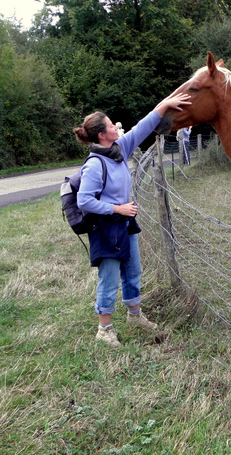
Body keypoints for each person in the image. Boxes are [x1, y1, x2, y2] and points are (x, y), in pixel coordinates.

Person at [73, 92, 191, 347]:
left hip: (125, 224)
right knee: (110, 278)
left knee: (133, 271)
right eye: (111, 124)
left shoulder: (119, 149)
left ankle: (134, 315)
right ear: (102, 135)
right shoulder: (95, 165)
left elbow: (141, 127)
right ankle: (104, 329)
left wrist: (164, 106)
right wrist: (117, 209)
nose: (116, 126)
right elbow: (84, 201)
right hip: (106, 228)